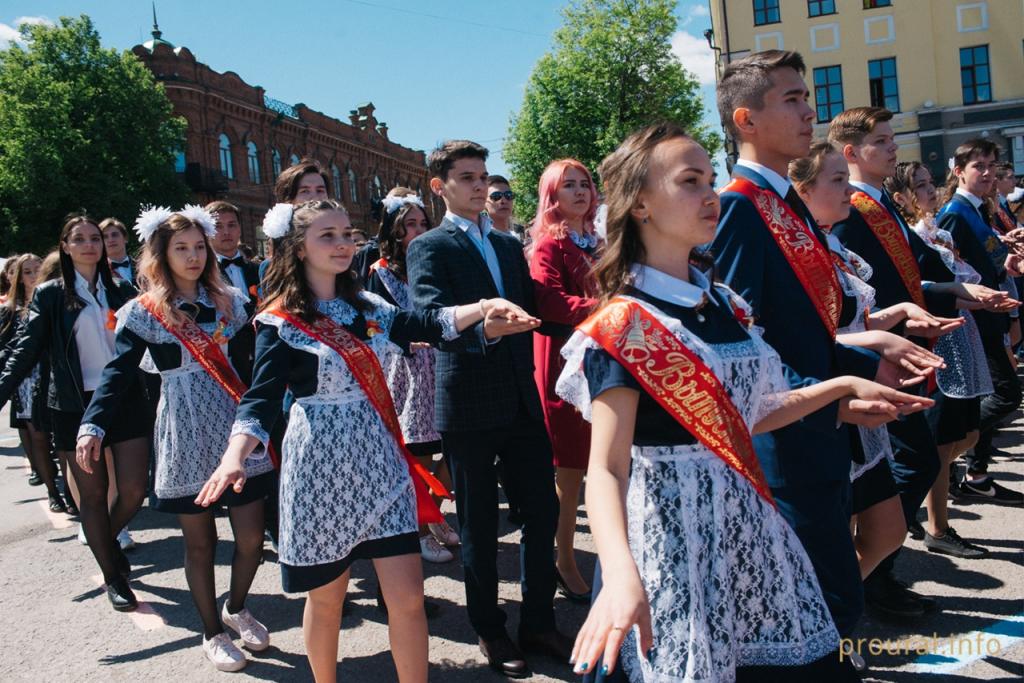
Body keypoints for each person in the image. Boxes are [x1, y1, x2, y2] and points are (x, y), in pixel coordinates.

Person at [563, 122, 930, 682]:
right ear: (639, 204)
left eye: (710, 178)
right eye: (690, 181)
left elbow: (749, 412)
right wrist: (618, 573)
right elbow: (608, 469)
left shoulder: (721, 303)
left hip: (747, 528)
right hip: (674, 538)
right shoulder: (625, 325)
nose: (710, 193)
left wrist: (840, 390)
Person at [196, 198, 538, 683]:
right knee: (328, 600)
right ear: (299, 248)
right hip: (319, 470)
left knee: (408, 598)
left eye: (346, 234)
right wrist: (235, 456)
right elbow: (261, 399)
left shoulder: (369, 306)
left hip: (381, 464)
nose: (343, 244)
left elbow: (427, 324)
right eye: (327, 236)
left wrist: (483, 310)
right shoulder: (280, 322)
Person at [711, 50, 885, 642]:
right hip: (788, 440)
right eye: (792, 99)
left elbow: (810, 325)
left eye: (806, 97)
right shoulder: (739, 206)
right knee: (823, 599)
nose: (810, 112)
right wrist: (829, 395)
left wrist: (868, 364)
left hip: (820, 427)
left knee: (828, 597)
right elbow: (744, 339)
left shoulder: (785, 202)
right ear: (746, 119)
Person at [407, 140, 571, 678]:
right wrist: (487, 330)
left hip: (522, 399)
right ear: (440, 186)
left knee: (541, 513)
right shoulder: (430, 246)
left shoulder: (505, 244)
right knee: (478, 527)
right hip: (469, 403)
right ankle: (491, 629)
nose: (480, 186)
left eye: (483, 177)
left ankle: (539, 622)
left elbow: (535, 306)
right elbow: (429, 319)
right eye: (468, 178)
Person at [788, 144, 952, 587]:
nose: (849, 191)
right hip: (836, 400)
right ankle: (840, 614)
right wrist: (877, 340)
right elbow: (804, 339)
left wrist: (899, 313)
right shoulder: (800, 253)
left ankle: (845, 602)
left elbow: (854, 319)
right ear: (803, 191)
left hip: (862, 395)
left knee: (888, 532)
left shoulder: (832, 243)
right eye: (837, 181)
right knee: (842, 540)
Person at [0, 214, 151, 611]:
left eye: (95, 238)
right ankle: (113, 575)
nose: (89, 245)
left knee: (134, 490)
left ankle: (105, 540)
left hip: (124, 398)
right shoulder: (50, 294)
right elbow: (26, 349)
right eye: (79, 239)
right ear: (65, 247)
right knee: (93, 495)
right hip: (73, 405)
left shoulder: (122, 289)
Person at [886, 161, 1000, 557]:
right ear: (901, 198)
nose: (930, 190)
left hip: (959, 331)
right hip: (939, 339)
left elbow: (965, 275)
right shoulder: (913, 235)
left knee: (966, 434)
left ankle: (924, 496)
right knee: (941, 440)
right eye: (919, 186)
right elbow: (921, 286)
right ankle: (937, 524)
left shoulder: (936, 230)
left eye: (930, 182)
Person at [364, 188, 459, 565]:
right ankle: (418, 530)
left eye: (422, 223)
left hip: (442, 363)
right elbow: (373, 326)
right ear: (394, 230)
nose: (417, 231)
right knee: (417, 454)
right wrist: (405, 341)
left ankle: (432, 513)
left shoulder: (434, 262)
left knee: (454, 447)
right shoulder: (380, 273)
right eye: (409, 225)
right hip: (406, 371)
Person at [936, 139, 1024, 506]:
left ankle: (977, 473)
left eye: (991, 166)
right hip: (975, 320)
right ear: (959, 171)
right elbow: (945, 269)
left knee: (991, 393)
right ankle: (946, 457)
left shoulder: (978, 209)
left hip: (993, 316)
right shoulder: (955, 213)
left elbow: (982, 260)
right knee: (1005, 394)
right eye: (979, 166)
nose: (988, 173)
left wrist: (1007, 254)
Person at [527, 159, 600, 603]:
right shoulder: (548, 244)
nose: (579, 191)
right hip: (563, 363)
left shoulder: (597, 240)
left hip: (602, 357)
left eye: (584, 183)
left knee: (604, 463)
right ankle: (565, 559)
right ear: (552, 195)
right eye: (568, 185)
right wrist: (610, 305)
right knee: (570, 470)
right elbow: (550, 302)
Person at [0, 253, 65, 510]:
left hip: (58, 377)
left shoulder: (59, 299)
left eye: (38, 269)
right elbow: (11, 350)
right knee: (39, 438)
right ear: (18, 278)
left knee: (63, 440)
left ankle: (73, 493)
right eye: (27, 271)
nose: (34, 275)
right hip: (28, 381)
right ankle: (53, 492)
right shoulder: (11, 312)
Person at [486, 175, 528, 243]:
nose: (504, 201)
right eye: (496, 196)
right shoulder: (482, 240)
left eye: (508, 195)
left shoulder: (517, 239)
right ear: (483, 202)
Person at [100, 218, 136, 286]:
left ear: (125, 238)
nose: (110, 240)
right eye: (105, 237)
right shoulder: (99, 271)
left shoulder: (142, 266)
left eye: (114, 235)